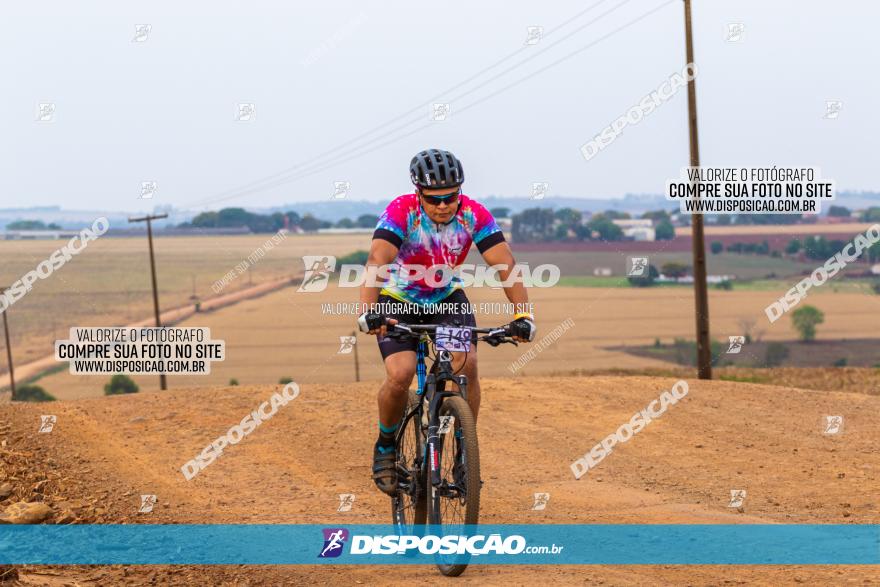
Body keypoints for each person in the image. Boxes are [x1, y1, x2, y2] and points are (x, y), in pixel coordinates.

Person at [357, 148, 536, 496]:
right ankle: (386, 445)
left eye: (450, 197)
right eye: (434, 199)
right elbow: (377, 258)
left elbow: (505, 264)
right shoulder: (401, 212)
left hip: (444, 299)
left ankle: (462, 453)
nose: (443, 205)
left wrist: (523, 314)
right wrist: (368, 310)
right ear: (417, 193)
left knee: (466, 363)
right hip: (398, 300)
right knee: (400, 373)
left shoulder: (473, 214)